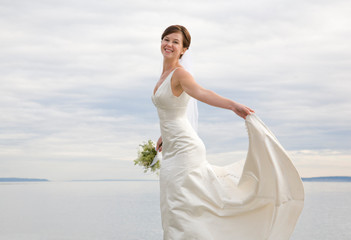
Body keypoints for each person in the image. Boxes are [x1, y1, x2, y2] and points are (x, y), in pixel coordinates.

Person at [152, 25, 304, 240]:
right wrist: (163, 135)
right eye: (166, 39)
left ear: (184, 49)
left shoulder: (180, 74)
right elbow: (172, 111)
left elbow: (202, 92)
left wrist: (233, 105)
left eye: (175, 42)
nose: (169, 44)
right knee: (172, 206)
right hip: (172, 147)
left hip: (185, 149)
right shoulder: (164, 74)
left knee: (182, 207)